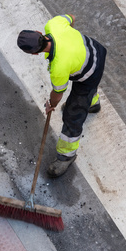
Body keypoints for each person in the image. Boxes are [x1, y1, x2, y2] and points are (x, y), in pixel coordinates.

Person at [17, 14, 107, 178]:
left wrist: (51, 104)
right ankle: (92, 103)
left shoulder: (58, 67)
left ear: (34, 54)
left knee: (72, 116)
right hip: (95, 49)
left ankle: (66, 156)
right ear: (39, 32)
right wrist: (70, 43)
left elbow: (58, 93)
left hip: (90, 71)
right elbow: (72, 17)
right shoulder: (54, 24)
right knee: (84, 90)